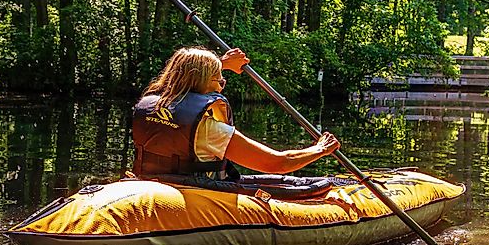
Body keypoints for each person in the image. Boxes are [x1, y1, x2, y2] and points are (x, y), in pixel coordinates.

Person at [131, 46, 340, 188]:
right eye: (218, 80)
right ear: (202, 81)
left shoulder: (150, 105)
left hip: (151, 183)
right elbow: (278, 163)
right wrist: (319, 149)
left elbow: (188, 74)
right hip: (194, 191)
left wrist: (221, 63)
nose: (222, 85)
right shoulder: (209, 130)